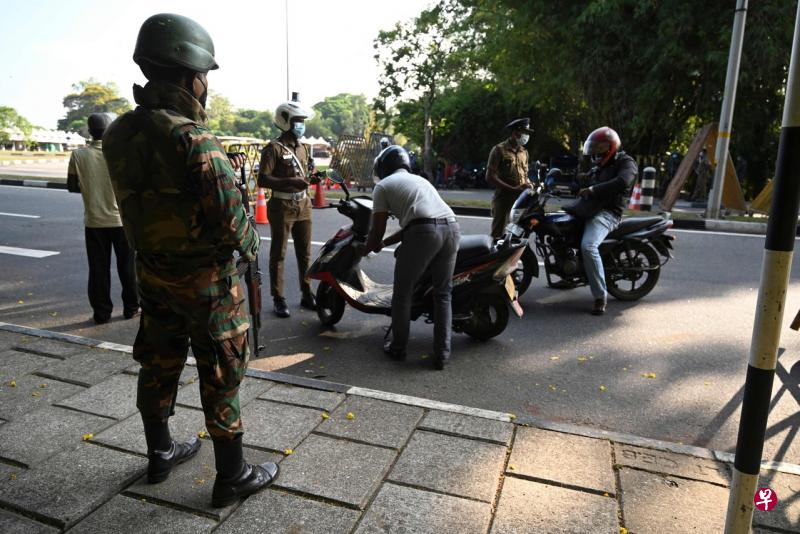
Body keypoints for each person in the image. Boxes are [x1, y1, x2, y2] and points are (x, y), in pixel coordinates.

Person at [102, 13, 278, 508]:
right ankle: (232, 475)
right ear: (189, 75)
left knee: (158, 361)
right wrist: (248, 249)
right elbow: (232, 221)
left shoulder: (118, 132)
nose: (206, 86)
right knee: (221, 370)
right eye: (205, 76)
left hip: (152, 273)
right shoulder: (194, 139)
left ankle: (160, 452)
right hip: (207, 281)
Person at [361, 146, 460, 370]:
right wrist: (384, 244)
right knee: (443, 294)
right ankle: (442, 355)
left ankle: (398, 348)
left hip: (425, 233)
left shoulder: (382, 187)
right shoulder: (420, 181)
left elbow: (377, 230)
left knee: (403, 294)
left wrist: (366, 249)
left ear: (383, 167)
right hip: (452, 229)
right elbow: (418, 222)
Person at [67, 113, 139, 325]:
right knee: (127, 267)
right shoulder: (123, 153)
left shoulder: (78, 155)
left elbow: (71, 186)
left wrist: (92, 187)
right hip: (122, 222)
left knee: (98, 269)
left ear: (90, 131)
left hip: (94, 222)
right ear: (109, 131)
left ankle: (101, 313)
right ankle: (131, 308)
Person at [258, 93, 318, 318]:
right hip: (281, 205)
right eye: (297, 121)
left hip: (304, 205)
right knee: (279, 253)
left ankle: (306, 292)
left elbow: (305, 174)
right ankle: (279, 298)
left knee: (305, 254)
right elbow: (263, 179)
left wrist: (312, 179)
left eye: (302, 121)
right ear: (285, 121)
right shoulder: (273, 148)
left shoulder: (303, 149)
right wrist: (289, 181)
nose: (301, 126)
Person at [576, 127, 637, 315]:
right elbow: (586, 180)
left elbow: (622, 182)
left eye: (599, 146)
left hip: (608, 214)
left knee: (588, 246)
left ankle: (600, 296)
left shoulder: (626, 163)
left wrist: (593, 190)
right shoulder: (601, 165)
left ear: (610, 147)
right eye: (593, 147)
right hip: (592, 208)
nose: (595, 151)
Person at [486, 118, 533, 237]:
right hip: (504, 199)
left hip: (521, 200)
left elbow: (525, 175)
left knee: (519, 234)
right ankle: (497, 256)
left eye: (527, 133)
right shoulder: (499, 150)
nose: (526, 136)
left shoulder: (524, 152)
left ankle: (515, 255)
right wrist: (513, 189)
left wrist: (529, 184)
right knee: (498, 234)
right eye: (524, 132)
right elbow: (490, 177)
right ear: (515, 133)